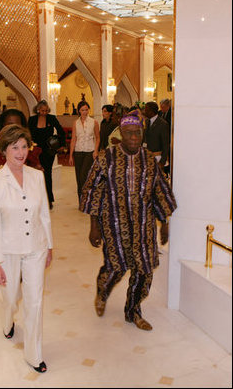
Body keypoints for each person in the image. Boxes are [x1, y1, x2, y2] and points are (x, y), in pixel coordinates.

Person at [80, 114, 177, 331]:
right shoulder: (107, 158)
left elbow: (160, 191)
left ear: (142, 134)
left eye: (138, 133)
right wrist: (94, 226)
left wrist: (165, 223)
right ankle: (102, 292)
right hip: (114, 226)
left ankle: (133, 310)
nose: (134, 137)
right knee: (116, 268)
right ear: (121, 134)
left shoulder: (150, 160)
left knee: (144, 270)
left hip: (144, 227)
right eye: (129, 133)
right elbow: (93, 191)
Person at [0, 124, 53, 373]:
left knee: (34, 302)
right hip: (8, 250)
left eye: (24, 146)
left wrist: (50, 245)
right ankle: (7, 321)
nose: (21, 152)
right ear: (4, 149)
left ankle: (34, 354)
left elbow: (44, 213)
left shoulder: (37, 176)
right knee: (10, 297)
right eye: (15, 147)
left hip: (36, 247)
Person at [0, 109, 42, 212]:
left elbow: (34, 177)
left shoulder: (29, 147)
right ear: (2, 125)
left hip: (24, 196)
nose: (13, 129)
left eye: (17, 125)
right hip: (0, 197)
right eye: (9, 125)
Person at [28, 100, 66, 210]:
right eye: (42, 111)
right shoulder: (32, 120)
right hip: (35, 151)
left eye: (46, 111)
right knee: (35, 175)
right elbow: (27, 134)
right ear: (38, 110)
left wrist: (61, 145)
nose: (44, 113)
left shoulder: (51, 118)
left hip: (48, 151)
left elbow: (61, 131)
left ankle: (49, 200)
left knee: (47, 174)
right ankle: (37, 200)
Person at [69, 101, 100, 205]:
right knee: (78, 177)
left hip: (89, 152)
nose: (85, 112)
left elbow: (98, 137)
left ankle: (87, 200)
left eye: (86, 109)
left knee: (84, 176)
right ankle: (81, 202)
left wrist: (95, 151)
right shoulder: (75, 123)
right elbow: (73, 139)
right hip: (78, 152)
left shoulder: (94, 122)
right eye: (82, 110)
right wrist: (70, 155)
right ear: (79, 111)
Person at [143, 101, 170, 170]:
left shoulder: (162, 124)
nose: (144, 111)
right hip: (147, 157)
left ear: (151, 111)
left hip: (157, 157)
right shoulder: (146, 121)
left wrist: (162, 162)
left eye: (146, 110)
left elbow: (166, 144)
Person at [159, 98, 172, 176]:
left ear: (168, 106)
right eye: (161, 107)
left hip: (168, 137)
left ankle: (168, 172)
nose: (161, 109)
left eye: (163, 107)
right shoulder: (160, 113)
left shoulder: (171, 114)